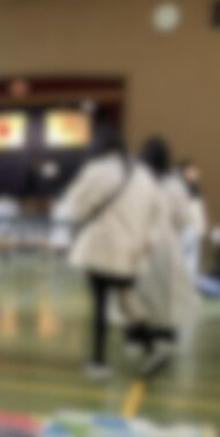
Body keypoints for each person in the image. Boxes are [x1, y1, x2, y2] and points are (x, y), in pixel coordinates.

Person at [63, 128, 158, 380]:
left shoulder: (95, 171)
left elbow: (75, 208)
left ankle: (99, 361)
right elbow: (156, 213)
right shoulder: (143, 174)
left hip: (100, 248)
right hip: (131, 251)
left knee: (100, 305)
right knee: (128, 299)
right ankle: (150, 345)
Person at [132, 137, 198, 374]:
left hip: (139, 242)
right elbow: (184, 219)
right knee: (165, 295)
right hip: (166, 245)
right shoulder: (175, 185)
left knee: (139, 294)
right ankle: (162, 340)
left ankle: (141, 339)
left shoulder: (136, 180)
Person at [178, 159, 208, 278]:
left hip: (194, 230)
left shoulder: (195, 189)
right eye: (191, 170)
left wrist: (202, 229)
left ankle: (188, 285)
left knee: (191, 263)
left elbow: (198, 210)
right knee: (181, 260)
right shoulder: (178, 187)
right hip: (183, 228)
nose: (195, 173)